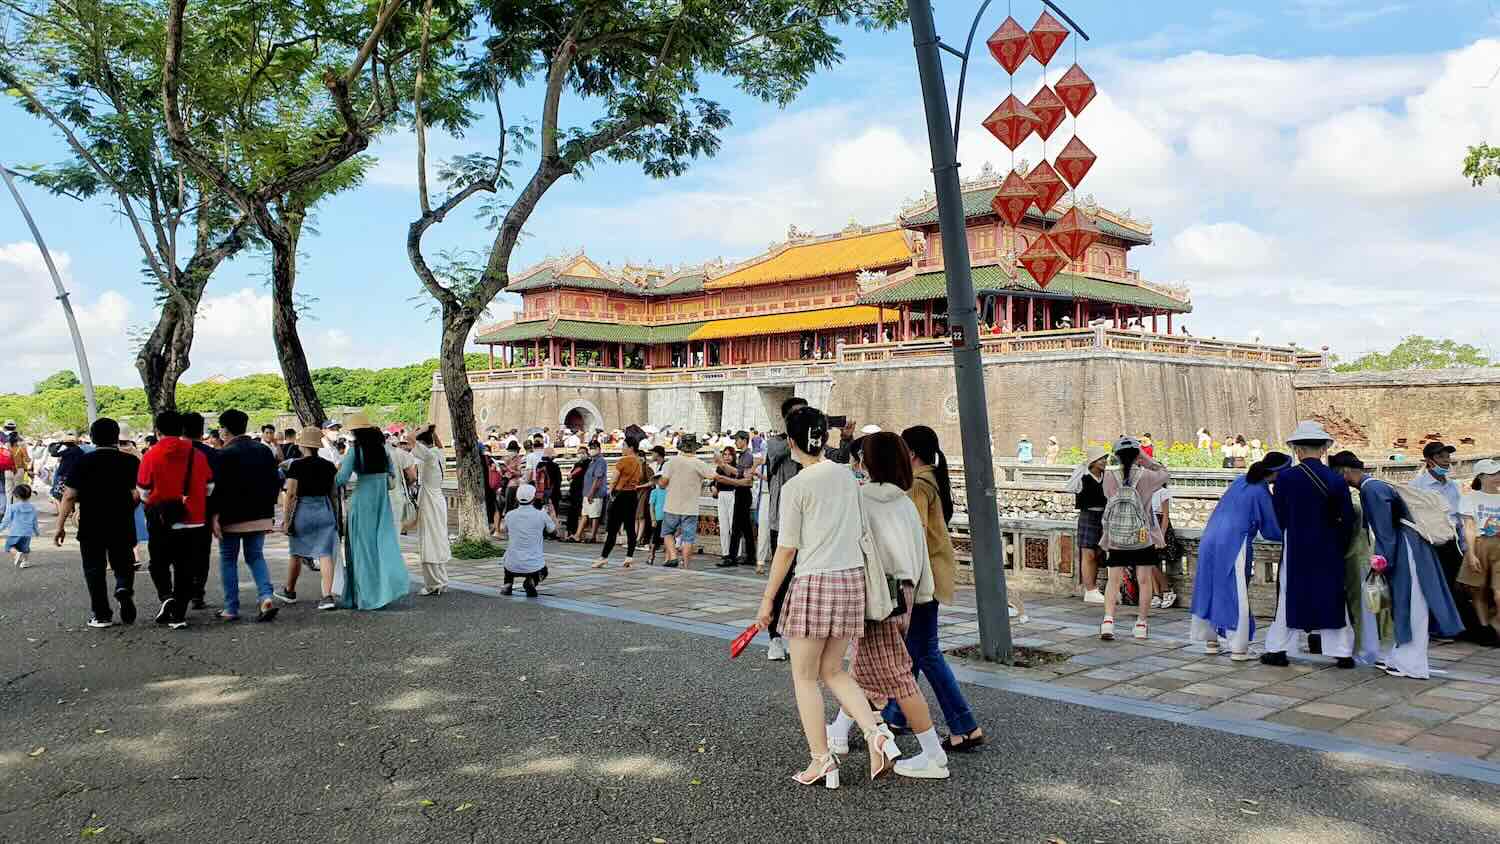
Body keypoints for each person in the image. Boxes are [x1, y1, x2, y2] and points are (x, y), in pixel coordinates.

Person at [754, 407, 898, 787]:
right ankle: (875, 733)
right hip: (851, 581)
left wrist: (768, 599)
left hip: (814, 582)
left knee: (804, 677)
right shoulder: (848, 476)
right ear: (825, 438)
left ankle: (822, 760)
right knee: (833, 670)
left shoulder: (796, 487)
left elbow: (786, 550)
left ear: (791, 442)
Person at [826, 432, 950, 780]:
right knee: (864, 669)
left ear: (869, 462)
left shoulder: (862, 499)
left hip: (877, 596)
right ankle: (839, 731)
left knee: (896, 675)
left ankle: (933, 754)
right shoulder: (904, 502)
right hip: (905, 593)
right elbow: (920, 554)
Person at [883, 425, 985, 753]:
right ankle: (896, 715)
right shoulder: (931, 480)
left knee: (924, 650)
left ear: (910, 452)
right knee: (914, 650)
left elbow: (912, 537)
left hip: (919, 581)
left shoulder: (915, 486)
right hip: (931, 577)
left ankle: (964, 725)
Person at [1355, 455, 1465, 678]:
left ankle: (1412, 663)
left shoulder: (1371, 490)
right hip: (1411, 545)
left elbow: (1385, 532)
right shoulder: (1378, 485)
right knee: (1411, 604)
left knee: (1413, 604)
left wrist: (1383, 562)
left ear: (1344, 471)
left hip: (1407, 548)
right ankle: (1402, 657)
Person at [1260, 421, 1357, 668]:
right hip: (1328, 546)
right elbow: (1347, 519)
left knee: (1289, 596)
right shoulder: (1335, 480)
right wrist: (1338, 543)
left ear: (1297, 450)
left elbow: (1279, 515)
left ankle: (1278, 648)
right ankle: (1342, 651)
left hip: (1296, 545)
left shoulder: (1286, 479)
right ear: (1324, 449)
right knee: (1332, 596)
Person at [1189, 452, 1288, 659]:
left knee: (1210, 587)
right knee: (1236, 590)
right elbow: (1272, 530)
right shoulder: (1261, 493)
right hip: (1234, 542)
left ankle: (1211, 641)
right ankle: (1239, 647)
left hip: (1210, 538)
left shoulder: (1239, 481)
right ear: (1278, 473)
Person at [55, 418, 140, 628]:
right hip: (121, 521)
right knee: (124, 561)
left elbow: (68, 496)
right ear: (116, 436)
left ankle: (102, 615)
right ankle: (123, 587)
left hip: (91, 523)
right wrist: (129, 506)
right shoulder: (130, 462)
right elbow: (137, 493)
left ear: (92, 438)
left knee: (94, 568)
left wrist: (60, 526)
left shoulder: (82, 462)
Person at [137, 411, 214, 629]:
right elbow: (209, 487)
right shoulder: (197, 455)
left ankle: (166, 596)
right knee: (186, 566)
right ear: (181, 430)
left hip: (161, 519)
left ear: (157, 431)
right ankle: (179, 614)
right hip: (194, 519)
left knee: (158, 562)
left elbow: (143, 491)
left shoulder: (151, 455)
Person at [210, 410, 283, 623]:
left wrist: (214, 516)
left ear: (224, 429)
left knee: (228, 560)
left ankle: (231, 608)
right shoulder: (263, 450)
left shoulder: (222, 454)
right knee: (256, 556)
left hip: (231, 517)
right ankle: (266, 596)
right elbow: (275, 482)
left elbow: (217, 489)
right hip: (260, 514)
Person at [334, 413, 410, 610]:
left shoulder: (354, 451)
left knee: (361, 550)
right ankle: (382, 591)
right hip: (381, 503)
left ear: (356, 432)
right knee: (381, 547)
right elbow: (392, 478)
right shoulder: (383, 450)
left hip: (361, 502)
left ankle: (364, 596)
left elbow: (341, 479)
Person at [1098, 436, 1170, 642]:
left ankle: (1108, 621)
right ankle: (1140, 624)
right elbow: (1165, 474)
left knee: (1113, 580)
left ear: (1117, 456)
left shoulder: (1109, 477)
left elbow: (1108, 498)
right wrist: (1147, 460)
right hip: (1142, 536)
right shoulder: (1148, 476)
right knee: (1145, 581)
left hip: (1117, 536)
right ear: (1137, 455)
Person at [1410, 440, 1479, 640]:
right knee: (1434, 585)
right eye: (1441, 457)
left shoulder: (1452, 486)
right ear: (1429, 461)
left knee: (1457, 584)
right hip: (1428, 542)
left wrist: (1467, 547)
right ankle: (1439, 627)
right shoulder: (1418, 486)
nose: (1446, 461)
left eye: (1447, 456)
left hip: (1450, 542)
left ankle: (1458, 626)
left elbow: (1460, 519)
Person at [762, 396, 812, 659]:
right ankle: (774, 637)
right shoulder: (776, 443)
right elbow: (779, 453)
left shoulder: (812, 445)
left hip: (811, 524)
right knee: (780, 582)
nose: (800, 418)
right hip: (781, 522)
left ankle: (799, 636)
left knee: (805, 583)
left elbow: (837, 458)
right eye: (796, 414)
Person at [280, 427, 340, 610]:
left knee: (296, 552)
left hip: (303, 511)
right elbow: (334, 494)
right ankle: (327, 595)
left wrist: (287, 520)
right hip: (324, 509)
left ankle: (290, 591)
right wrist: (336, 518)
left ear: (302, 445)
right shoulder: (329, 466)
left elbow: (291, 494)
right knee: (325, 554)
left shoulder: (295, 465)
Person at [1329, 451, 1381, 663]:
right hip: (1366, 551)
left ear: (1344, 471)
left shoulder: (1359, 494)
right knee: (1368, 603)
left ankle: (1364, 649)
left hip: (1356, 553)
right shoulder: (1366, 489)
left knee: (1360, 604)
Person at [659, 434, 717, 570]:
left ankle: (673, 556)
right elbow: (714, 476)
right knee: (688, 538)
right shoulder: (699, 463)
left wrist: (659, 483)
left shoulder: (671, 462)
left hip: (672, 505)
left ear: (681, 447)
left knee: (667, 533)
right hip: (690, 507)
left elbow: (663, 482)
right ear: (694, 449)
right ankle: (685, 565)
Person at [407, 425, 452, 596]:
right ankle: (441, 580)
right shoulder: (439, 453)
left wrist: (422, 429)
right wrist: (432, 431)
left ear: (422, 443)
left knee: (428, 541)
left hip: (428, 501)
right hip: (438, 499)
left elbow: (410, 438)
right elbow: (439, 445)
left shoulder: (428, 455)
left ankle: (434, 583)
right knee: (437, 539)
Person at [1458, 459, 1500, 639]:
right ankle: (1485, 630)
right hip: (1480, 544)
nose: (1497, 477)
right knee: (1478, 589)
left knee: (1498, 593)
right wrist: (1471, 553)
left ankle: (1495, 624)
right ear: (1481, 477)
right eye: (1493, 474)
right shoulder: (1470, 498)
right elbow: (1469, 527)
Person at [180, 412, 218, 609]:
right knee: (201, 554)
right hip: (203, 510)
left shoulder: (171, 451)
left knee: (180, 553)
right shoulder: (211, 453)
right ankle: (197, 592)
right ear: (201, 429)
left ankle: (179, 593)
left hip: (175, 510)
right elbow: (215, 488)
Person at [1065, 446, 1109, 605]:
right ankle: (1089, 588)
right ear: (1093, 461)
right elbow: (1070, 487)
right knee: (1088, 552)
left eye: (1105, 458)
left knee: (1098, 552)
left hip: (1104, 516)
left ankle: (1093, 587)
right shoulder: (1083, 476)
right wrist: (1081, 468)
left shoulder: (1106, 476)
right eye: (1100, 459)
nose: (1104, 461)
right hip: (1088, 515)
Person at [592, 436, 643, 569]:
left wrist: (610, 491)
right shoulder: (638, 462)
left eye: (624, 446)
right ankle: (629, 557)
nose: (622, 448)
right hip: (632, 495)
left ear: (631, 447)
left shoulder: (623, 461)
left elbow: (614, 479)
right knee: (630, 527)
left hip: (620, 495)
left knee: (613, 528)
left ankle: (603, 557)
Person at [499, 484, 553, 597]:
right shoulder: (541, 515)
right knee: (544, 571)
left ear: (517, 498)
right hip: (534, 564)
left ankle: (507, 584)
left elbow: (503, 529)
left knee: (508, 559)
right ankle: (531, 581)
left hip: (512, 564)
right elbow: (553, 530)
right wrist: (552, 514)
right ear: (533, 498)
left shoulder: (510, 515)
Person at [724, 433, 757, 567]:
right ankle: (750, 556)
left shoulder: (747, 456)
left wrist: (723, 465)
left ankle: (732, 557)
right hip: (741, 492)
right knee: (745, 527)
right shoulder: (743, 455)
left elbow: (740, 474)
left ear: (744, 440)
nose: (736, 442)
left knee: (737, 526)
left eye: (737, 440)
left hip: (743, 492)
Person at [1148, 480, 1178, 609]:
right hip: (1149, 526)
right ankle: (1157, 593)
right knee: (1148, 562)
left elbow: (1165, 516)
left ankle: (1166, 590)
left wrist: (1161, 535)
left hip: (1159, 527)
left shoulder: (1163, 492)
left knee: (1153, 561)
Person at [572, 442, 608, 543]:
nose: (592, 449)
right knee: (585, 514)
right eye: (591, 448)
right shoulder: (592, 461)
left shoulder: (600, 461)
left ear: (599, 449)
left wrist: (592, 492)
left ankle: (593, 536)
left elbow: (598, 478)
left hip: (595, 493)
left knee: (594, 515)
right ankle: (577, 535)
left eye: (594, 447)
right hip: (587, 492)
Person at [3, 483, 38, 568]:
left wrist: (1, 528)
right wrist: (36, 531)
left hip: (15, 531)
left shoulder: (12, 507)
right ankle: (25, 562)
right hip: (27, 532)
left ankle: (17, 554)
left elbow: (6, 520)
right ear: (29, 496)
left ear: (16, 496)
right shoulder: (32, 507)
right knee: (25, 548)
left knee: (9, 546)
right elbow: (34, 520)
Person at [714, 445, 739, 565]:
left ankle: (735, 553)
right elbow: (715, 481)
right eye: (725, 454)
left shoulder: (735, 468)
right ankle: (725, 553)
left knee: (732, 526)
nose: (727, 457)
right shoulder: (719, 468)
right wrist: (713, 487)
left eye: (729, 454)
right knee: (723, 527)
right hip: (721, 496)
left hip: (732, 494)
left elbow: (731, 478)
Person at [563, 444, 589, 541]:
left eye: (582, 453)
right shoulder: (578, 463)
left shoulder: (586, 462)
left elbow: (577, 471)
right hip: (574, 490)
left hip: (581, 490)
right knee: (572, 511)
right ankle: (570, 532)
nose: (580, 455)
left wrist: (571, 476)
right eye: (579, 453)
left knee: (578, 511)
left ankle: (576, 533)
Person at [648, 473, 669, 565]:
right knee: (655, 539)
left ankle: (667, 558)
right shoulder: (654, 492)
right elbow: (651, 507)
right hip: (658, 518)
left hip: (667, 518)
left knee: (668, 539)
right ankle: (651, 556)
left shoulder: (669, 492)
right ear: (656, 481)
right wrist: (653, 519)